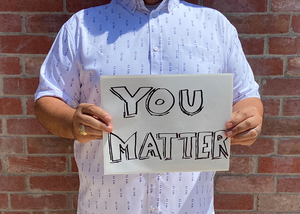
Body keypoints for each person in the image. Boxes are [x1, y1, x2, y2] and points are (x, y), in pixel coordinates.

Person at [34, 0, 263, 212]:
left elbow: (247, 96)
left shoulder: (215, 26)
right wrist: (73, 124)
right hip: (106, 206)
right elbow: (48, 98)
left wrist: (250, 120)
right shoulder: (81, 27)